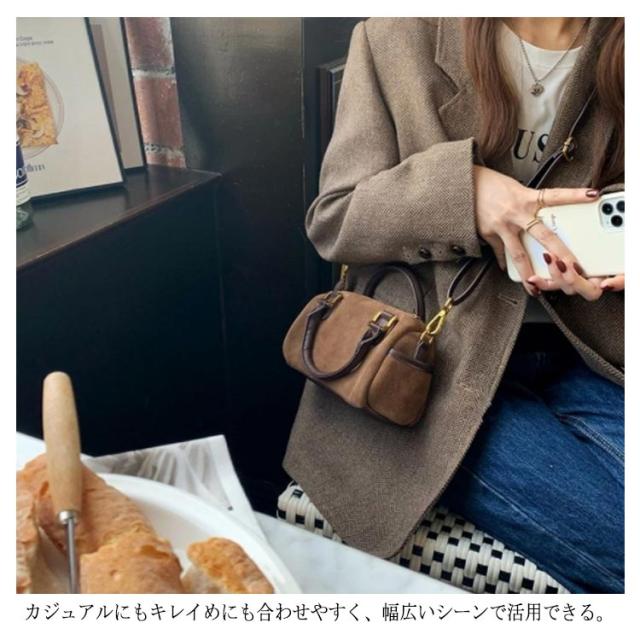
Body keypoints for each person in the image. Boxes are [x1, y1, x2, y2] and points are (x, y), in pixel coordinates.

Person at [282, 17, 624, 593]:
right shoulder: (399, 35)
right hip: (435, 365)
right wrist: (467, 192)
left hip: (594, 351)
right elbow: (334, 217)